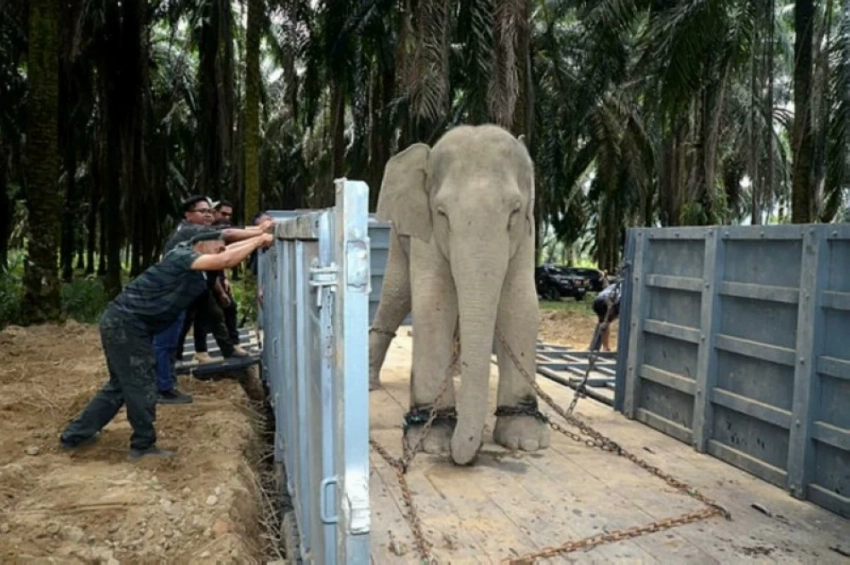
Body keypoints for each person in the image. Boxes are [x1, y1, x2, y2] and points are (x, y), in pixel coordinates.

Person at [59, 226, 274, 461]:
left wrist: (256, 240)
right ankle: (143, 446)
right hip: (127, 324)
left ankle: (75, 435)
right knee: (141, 382)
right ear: (200, 246)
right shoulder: (183, 256)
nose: (221, 250)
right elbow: (226, 257)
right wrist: (259, 239)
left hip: (129, 323)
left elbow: (227, 250)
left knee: (120, 385)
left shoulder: (197, 256)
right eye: (217, 246)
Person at [591, 282, 621, 352]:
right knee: (604, 324)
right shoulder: (627, 287)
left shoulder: (615, 287)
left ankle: (598, 347)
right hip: (606, 301)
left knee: (604, 323)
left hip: (600, 300)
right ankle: (604, 348)